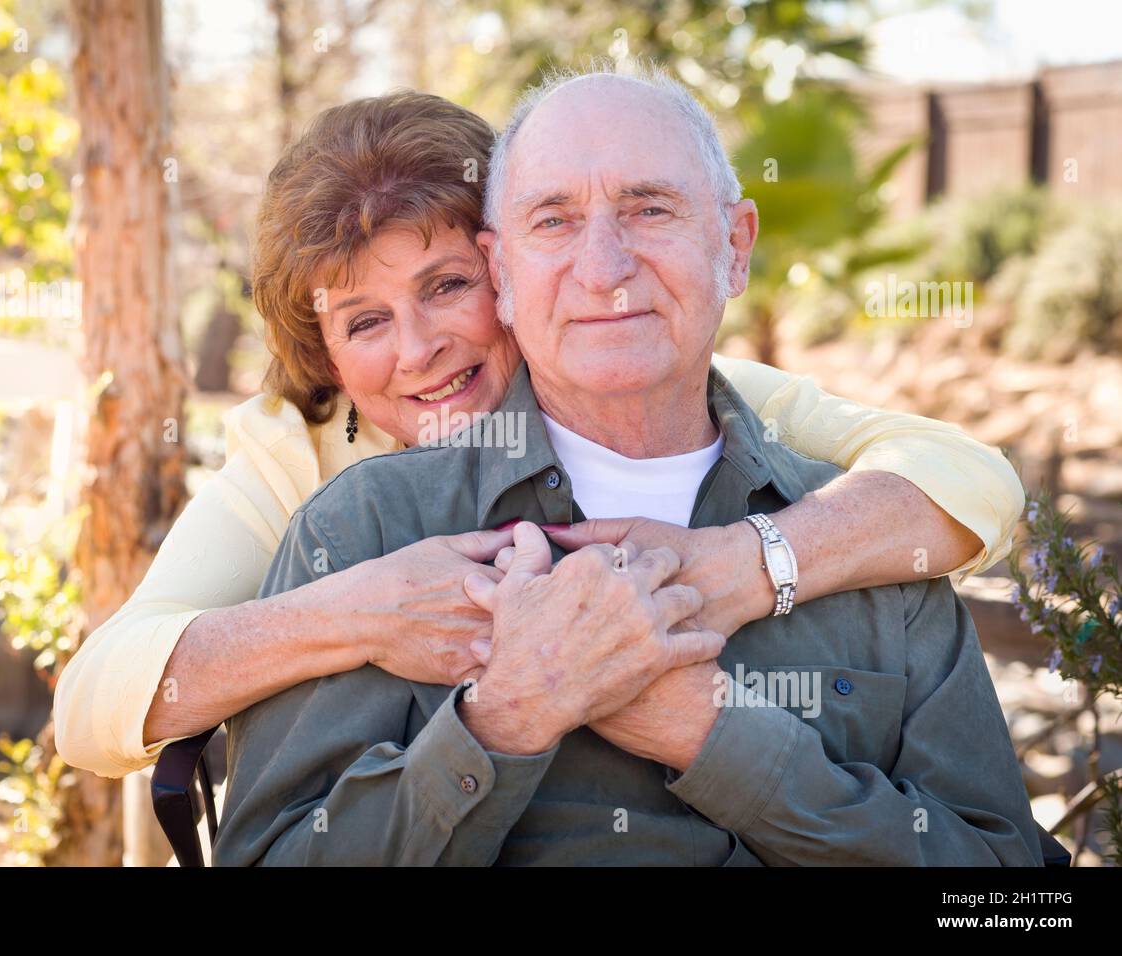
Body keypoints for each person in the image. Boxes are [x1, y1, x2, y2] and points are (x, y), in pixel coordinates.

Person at [53, 87, 1023, 784]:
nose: (420, 348)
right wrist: (358, 609)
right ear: (323, 353)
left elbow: (969, 478)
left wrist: (740, 562)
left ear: (510, 271)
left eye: (445, 287)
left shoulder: (672, 387)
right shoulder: (296, 454)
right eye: (364, 320)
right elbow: (92, 705)